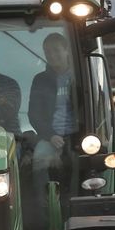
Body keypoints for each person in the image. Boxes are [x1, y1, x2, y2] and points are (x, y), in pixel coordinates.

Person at [28, 33, 77, 166]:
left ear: (67, 50)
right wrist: (50, 135)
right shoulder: (40, 80)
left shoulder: (80, 77)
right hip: (50, 138)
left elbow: (94, 106)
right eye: (47, 52)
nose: (52, 55)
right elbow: (34, 114)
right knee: (39, 158)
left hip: (80, 137)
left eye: (56, 50)